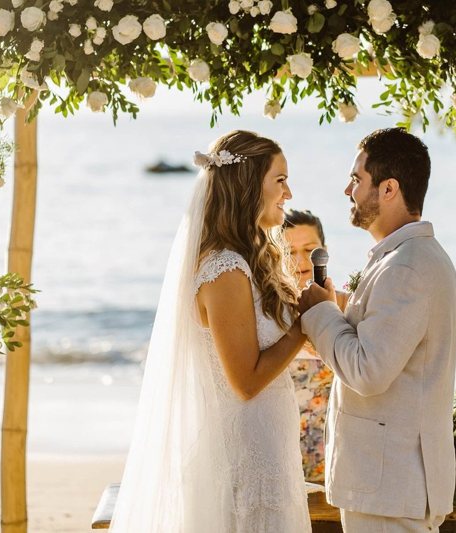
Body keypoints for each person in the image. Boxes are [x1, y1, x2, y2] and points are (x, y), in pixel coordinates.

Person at [110, 130, 311, 532]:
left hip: (269, 453)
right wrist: (304, 325)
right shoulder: (225, 270)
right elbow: (245, 381)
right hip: (243, 462)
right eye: (280, 180)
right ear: (250, 184)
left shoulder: (248, 261)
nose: (288, 193)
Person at [298, 128, 456, 532]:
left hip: (391, 489)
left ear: (389, 189)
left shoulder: (406, 266)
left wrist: (320, 313)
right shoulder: (405, 258)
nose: (347, 190)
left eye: (357, 180)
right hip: (389, 486)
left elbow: (368, 372)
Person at [283, 209, 347, 484]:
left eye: (310, 249)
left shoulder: (348, 304)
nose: (302, 260)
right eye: (290, 251)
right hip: (284, 455)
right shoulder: (267, 314)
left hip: (340, 452)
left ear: (324, 251)